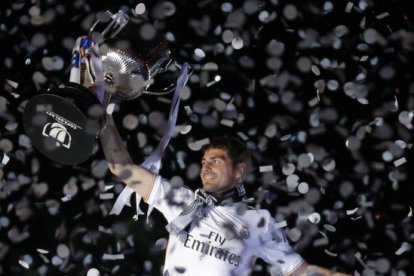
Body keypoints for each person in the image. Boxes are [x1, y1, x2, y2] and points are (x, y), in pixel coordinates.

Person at [100, 105, 350, 276]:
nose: (206, 167)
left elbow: (299, 272)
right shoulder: (180, 200)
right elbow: (121, 166)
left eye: (216, 161)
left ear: (238, 171)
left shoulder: (257, 222)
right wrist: (101, 112)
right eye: (204, 162)